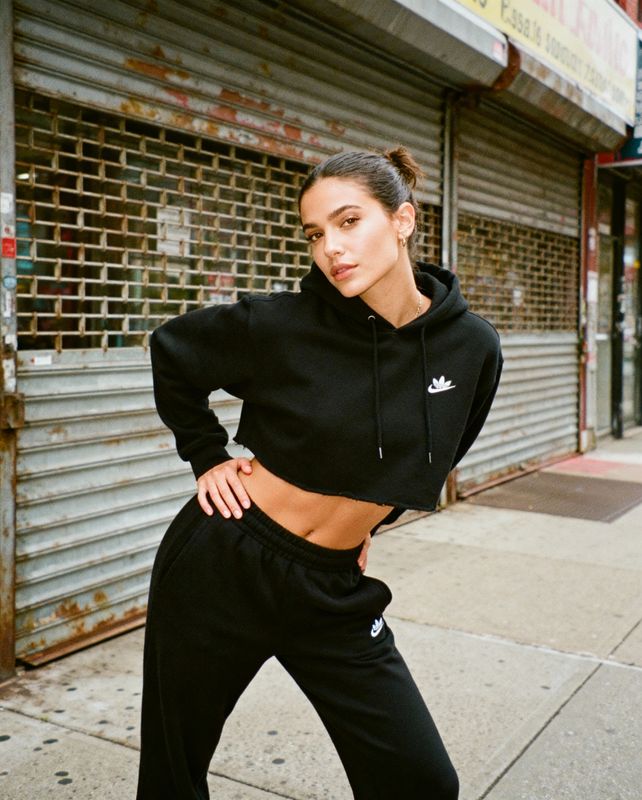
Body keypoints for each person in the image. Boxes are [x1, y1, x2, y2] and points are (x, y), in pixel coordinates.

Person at [136, 146, 502, 800]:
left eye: (348, 221)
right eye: (314, 233)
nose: (331, 247)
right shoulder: (282, 324)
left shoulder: (471, 346)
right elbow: (173, 352)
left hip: (333, 587)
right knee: (174, 776)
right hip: (225, 560)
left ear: (402, 220)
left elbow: (440, 452)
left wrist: (368, 523)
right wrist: (207, 454)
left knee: (419, 781)